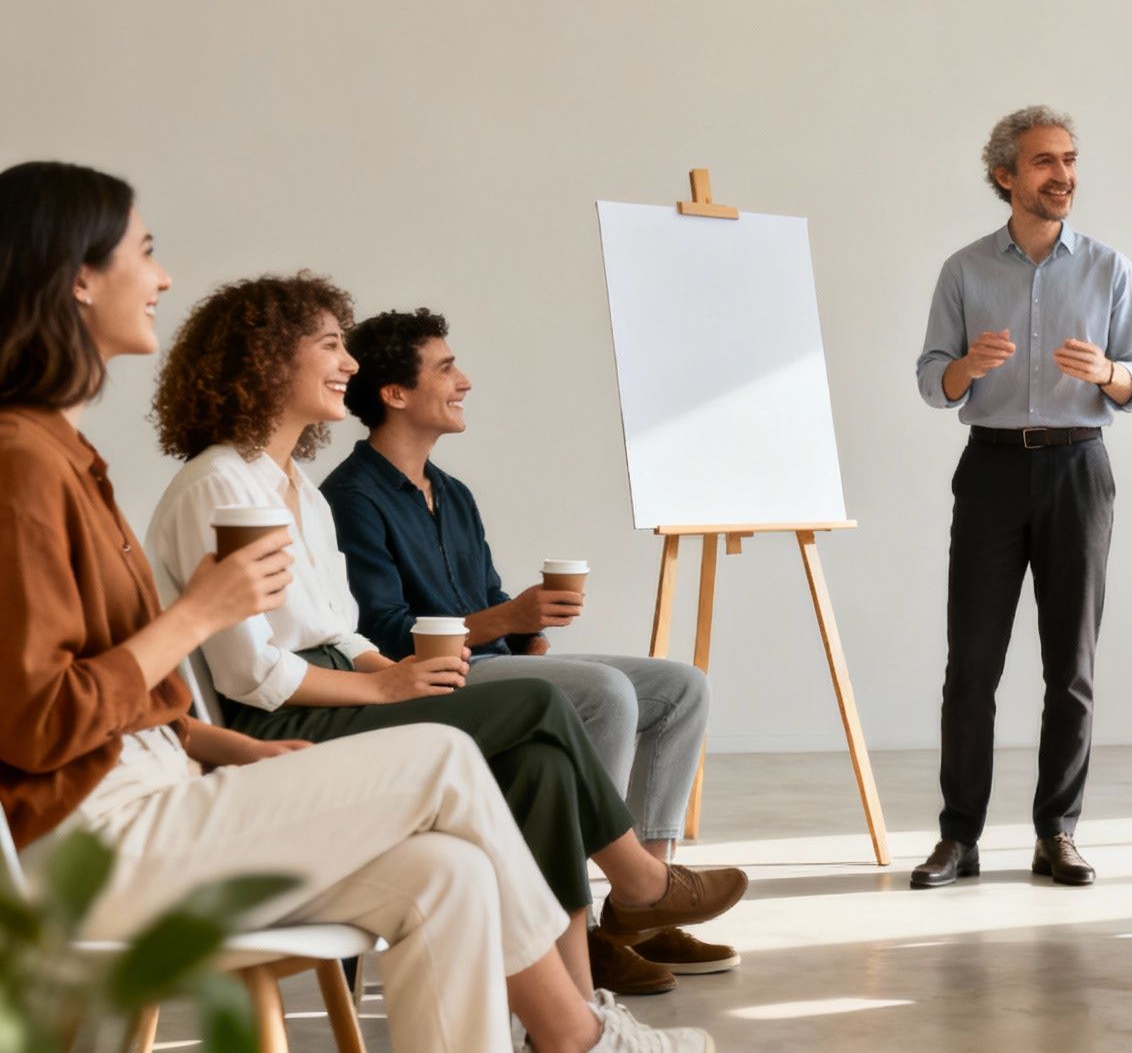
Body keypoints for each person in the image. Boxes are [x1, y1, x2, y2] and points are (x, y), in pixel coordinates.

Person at [0, 159, 711, 1051]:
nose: (164, 277)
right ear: (76, 276)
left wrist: (225, 746)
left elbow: (134, 699)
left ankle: (575, 1019)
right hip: (96, 842)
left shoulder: (65, 452)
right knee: (448, 757)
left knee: (448, 871)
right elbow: (36, 721)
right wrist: (198, 618)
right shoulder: (25, 463)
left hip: (160, 789)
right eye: (144, 251)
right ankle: (580, 1032)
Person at [143, 272, 744, 1001]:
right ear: (270, 360)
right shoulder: (221, 487)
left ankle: (576, 1015)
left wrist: (386, 669)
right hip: (284, 721)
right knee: (546, 706)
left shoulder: (293, 486)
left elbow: (341, 626)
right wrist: (384, 681)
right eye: (331, 346)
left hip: (343, 687)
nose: (350, 364)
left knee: (546, 767)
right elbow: (249, 676)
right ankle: (643, 882)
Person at [322, 307, 733, 988]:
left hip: (482, 664)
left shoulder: (451, 494)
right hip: (419, 682)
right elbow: (386, 633)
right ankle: (578, 925)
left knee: (681, 686)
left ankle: (644, 914)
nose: (466, 381)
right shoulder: (352, 498)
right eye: (446, 368)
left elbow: (482, 602)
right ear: (394, 394)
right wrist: (502, 620)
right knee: (604, 693)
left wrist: (525, 628)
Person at [909, 105, 1132, 888]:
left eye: (1070, 161)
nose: (1064, 177)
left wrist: (1106, 375)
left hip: (1078, 468)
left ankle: (1058, 832)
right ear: (1005, 176)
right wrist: (969, 366)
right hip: (988, 470)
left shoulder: (1110, 269)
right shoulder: (963, 270)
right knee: (971, 665)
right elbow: (931, 383)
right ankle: (960, 838)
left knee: (1070, 666)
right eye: (1046, 163)